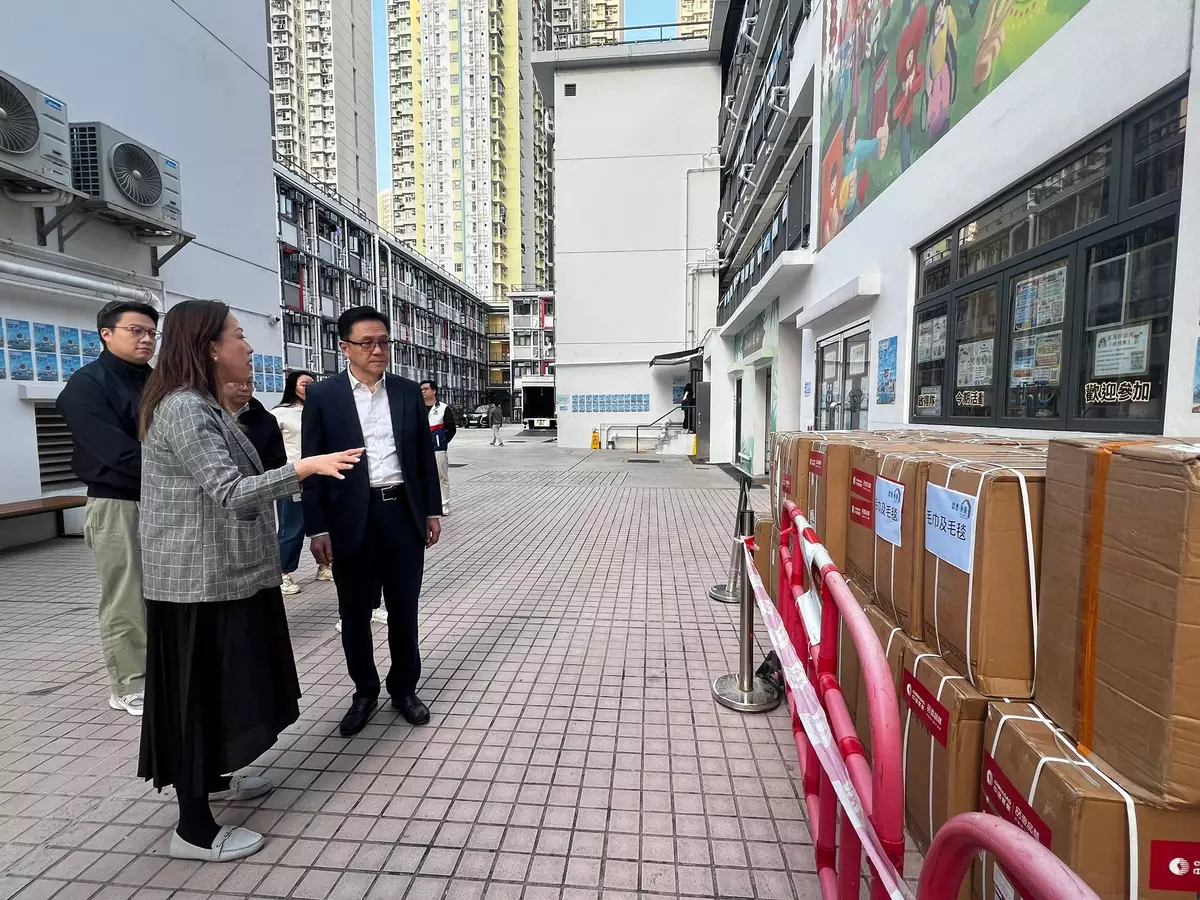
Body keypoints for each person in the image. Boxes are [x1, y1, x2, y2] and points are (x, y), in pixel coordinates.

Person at [137, 299, 363, 862]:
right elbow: (231, 492)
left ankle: (214, 778)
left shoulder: (204, 405)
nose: (249, 346)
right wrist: (305, 468)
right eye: (239, 336)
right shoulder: (185, 408)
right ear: (211, 347)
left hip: (223, 575)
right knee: (196, 699)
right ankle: (193, 829)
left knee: (222, 690)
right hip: (197, 583)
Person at [302, 305, 442, 737]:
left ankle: (404, 689)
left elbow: (423, 457)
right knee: (355, 612)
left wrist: (431, 510)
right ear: (345, 347)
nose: (378, 350)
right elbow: (312, 465)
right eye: (367, 343)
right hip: (350, 520)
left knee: (404, 609)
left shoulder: (405, 392)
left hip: (401, 513)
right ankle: (364, 691)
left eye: (384, 342)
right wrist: (317, 527)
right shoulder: (324, 397)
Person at [56, 299, 158, 717]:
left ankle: (164, 672)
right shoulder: (87, 385)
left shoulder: (156, 381)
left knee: (167, 592)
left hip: (165, 501)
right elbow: (118, 453)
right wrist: (179, 473)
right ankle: (130, 683)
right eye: (136, 330)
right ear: (106, 333)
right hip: (118, 502)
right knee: (127, 596)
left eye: (151, 332)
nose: (146, 339)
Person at [270, 371, 332, 595]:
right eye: (304, 384)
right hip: (293, 476)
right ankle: (283, 573)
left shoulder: (321, 410)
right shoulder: (280, 414)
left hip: (321, 474)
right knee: (292, 527)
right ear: (292, 386)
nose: (309, 388)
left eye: (312, 384)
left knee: (324, 524)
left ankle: (324, 566)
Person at [222, 379, 286, 471]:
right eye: (238, 382)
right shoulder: (208, 415)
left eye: (249, 382)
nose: (245, 388)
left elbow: (277, 463)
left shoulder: (267, 420)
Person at [421, 379, 456, 515]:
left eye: (426, 389)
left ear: (434, 391)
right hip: (421, 450)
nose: (423, 392)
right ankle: (427, 504)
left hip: (438, 449)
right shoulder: (417, 407)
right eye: (421, 390)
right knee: (423, 478)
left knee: (442, 477)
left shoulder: (443, 408)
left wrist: (442, 442)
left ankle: (444, 504)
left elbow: (451, 429)